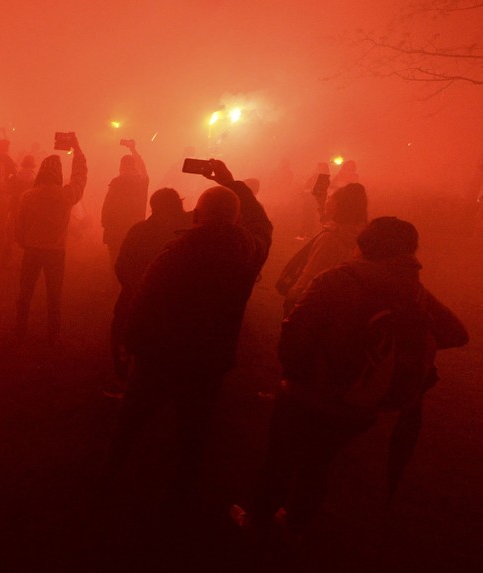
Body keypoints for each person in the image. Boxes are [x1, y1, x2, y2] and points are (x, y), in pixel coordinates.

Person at [246, 217, 468, 537]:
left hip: (306, 393)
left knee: (280, 460)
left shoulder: (335, 279)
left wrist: (295, 375)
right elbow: (457, 333)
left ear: (362, 245)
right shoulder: (414, 291)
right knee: (317, 466)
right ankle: (294, 523)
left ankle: (257, 523)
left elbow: (294, 333)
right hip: (360, 402)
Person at [101, 159, 272, 501]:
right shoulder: (247, 252)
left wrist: (130, 340)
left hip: (159, 356)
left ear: (196, 216)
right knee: (193, 432)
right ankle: (181, 493)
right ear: (236, 219)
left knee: (130, 422)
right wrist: (231, 182)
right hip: (208, 360)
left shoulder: (178, 251)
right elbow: (263, 225)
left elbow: (147, 298)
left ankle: (106, 480)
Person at [108, 188, 191, 391]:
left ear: (153, 207)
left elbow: (121, 265)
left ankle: (122, 380)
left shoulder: (140, 230)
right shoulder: (188, 232)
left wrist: (134, 289)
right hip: (174, 305)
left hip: (136, 298)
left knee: (123, 337)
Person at [14, 136, 87, 343]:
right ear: (58, 174)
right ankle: (53, 335)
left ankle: (20, 331)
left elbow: (19, 226)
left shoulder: (29, 196)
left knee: (25, 293)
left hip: (32, 250)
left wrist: (23, 242)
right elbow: (79, 178)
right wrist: (78, 150)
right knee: (54, 295)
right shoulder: (66, 195)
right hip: (56, 252)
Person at [283, 183, 368, 315]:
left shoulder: (330, 238)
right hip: (340, 303)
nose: (327, 202)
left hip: (314, 302)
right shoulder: (360, 234)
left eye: (330, 199)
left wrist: (293, 295)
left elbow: (311, 275)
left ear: (339, 207)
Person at [101, 141, 149, 270]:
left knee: (115, 261)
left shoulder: (117, 182)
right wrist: (134, 150)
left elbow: (108, 205)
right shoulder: (142, 182)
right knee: (132, 263)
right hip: (135, 229)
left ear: (121, 166)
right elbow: (143, 168)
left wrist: (105, 223)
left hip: (115, 230)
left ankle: (114, 288)